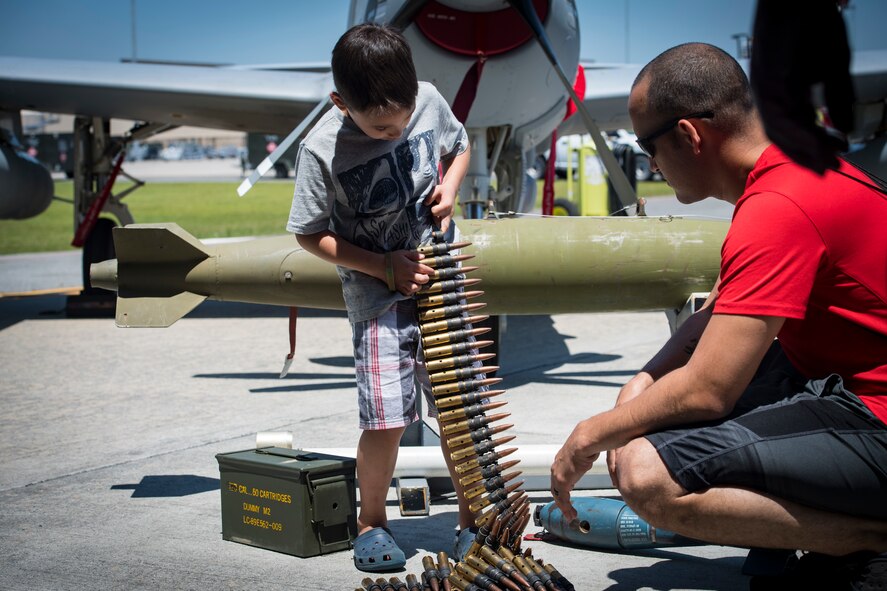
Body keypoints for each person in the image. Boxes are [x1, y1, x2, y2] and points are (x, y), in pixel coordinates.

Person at [550, 42, 887, 588]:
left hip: (875, 413)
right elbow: (719, 310)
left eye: (647, 144)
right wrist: (643, 382)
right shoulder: (795, 173)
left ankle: (868, 542)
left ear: (688, 135)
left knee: (646, 474)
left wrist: (589, 435)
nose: (649, 162)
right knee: (652, 421)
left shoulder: (778, 209)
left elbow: (709, 390)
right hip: (855, 391)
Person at [285, 23, 476, 572]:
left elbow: (459, 144)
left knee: (460, 412)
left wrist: (451, 185)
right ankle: (372, 521)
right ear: (340, 103)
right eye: (379, 126)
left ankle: (470, 519)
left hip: (441, 280)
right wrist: (381, 266)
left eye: (402, 119)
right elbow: (307, 232)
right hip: (377, 301)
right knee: (386, 420)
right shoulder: (321, 149)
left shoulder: (429, 102)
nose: (394, 132)